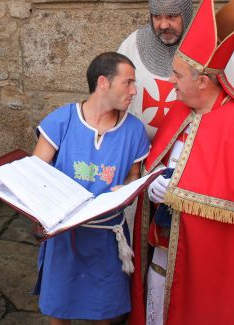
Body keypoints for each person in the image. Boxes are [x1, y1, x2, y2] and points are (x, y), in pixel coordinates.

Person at [130, 0, 234, 325]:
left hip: (211, 264)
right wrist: (153, 181)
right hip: (164, 247)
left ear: (204, 82)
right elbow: (162, 158)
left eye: (179, 75)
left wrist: (177, 193)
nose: (171, 81)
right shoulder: (183, 109)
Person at [32, 52, 150, 324]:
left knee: (104, 313)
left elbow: (134, 174)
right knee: (59, 311)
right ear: (103, 83)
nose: (134, 91)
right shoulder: (62, 121)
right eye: (128, 83)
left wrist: (127, 187)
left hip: (107, 238)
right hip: (64, 235)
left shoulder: (133, 131)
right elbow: (35, 174)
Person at [118, 0, 234, 139]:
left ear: (186, 13)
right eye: (157, 16)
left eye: (171, 16)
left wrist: (224, 131)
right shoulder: (133, 44)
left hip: (196, 151)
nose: (163, 25)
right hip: (143, 149)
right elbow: (115, 91)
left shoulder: (210, 43)